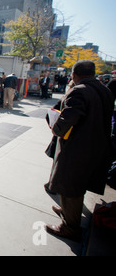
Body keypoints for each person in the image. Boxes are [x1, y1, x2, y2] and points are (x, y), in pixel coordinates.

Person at [45, 60, 114, 242]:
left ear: (74, 74)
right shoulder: (105, 91)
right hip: (97, 146)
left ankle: (70, 227)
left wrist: (56, 128)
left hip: (78, 148)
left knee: (70, 186)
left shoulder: (79, 91)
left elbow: (68, 118)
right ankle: (68, 212)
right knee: (78, 184)